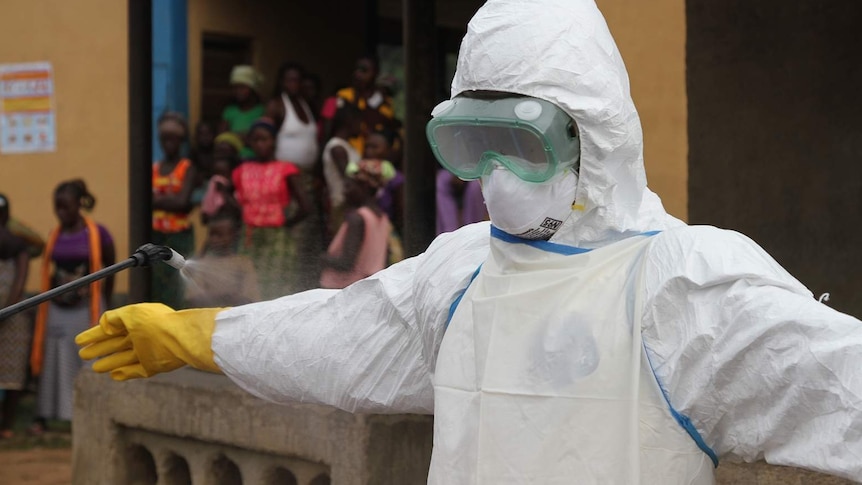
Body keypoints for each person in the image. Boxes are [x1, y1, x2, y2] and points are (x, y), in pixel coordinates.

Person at [77, 1, 862, 482]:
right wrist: (192, 333)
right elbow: (338, 334)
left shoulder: (684, 284)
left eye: (518, 143)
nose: (495, 175)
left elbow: (833, 384)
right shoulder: (459, 275)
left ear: (595, 138)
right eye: (471, 143)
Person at [34, 180, 114, 435]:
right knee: (56, 357)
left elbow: (110, 268)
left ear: (79, 205)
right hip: (57, 308)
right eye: (56, 208)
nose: (60, 213)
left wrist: (105, 303)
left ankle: (87, 413)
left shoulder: (98, 234)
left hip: (86, 308)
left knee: (86, 357)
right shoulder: (55, 235)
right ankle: (54, 414)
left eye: (65, 207)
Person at [231, 118, 310, 299]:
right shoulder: (241, 170)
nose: (260, 145)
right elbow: (234, 201)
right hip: (249, 236)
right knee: (250, 284)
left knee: (277, 283)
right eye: (256, 140)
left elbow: (306, 206)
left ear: (273, 141)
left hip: (277, 238)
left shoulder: (286, 169)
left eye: (264, 139)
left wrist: (285, 224)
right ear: (250, 143)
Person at [267, 62, 322, 292]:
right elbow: (265, 136)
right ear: (281, 82)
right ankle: (283, 284)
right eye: (289, 80)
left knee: (308, 233)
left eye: (297, 80)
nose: (293, 84)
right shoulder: (277, 105)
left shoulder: (305, 105)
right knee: (291, 232)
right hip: (287, 179)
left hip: (308, 177)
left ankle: (302, 283)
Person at [320, 160, 392, 289]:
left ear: (364, 187)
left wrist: (320, 258)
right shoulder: (382, 218)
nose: (344, 192)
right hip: (367, 288)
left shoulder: (357, 218)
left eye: (348, 186)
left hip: (344, 289)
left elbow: (346, 263)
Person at [152, 112, 197, 310]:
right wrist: (171, 200)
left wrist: (157, 200)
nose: (168, 143)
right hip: (156, 234)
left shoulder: (187, 167)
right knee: (156, 284)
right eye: (164, 138)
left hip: (179, 236)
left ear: (181, 140)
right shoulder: (154, 167)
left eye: (174, 138)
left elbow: (182, 202)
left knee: (176, 284)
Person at [0, 194, 33, 439]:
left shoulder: (18, 245)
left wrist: (7, 309)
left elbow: (19, 281)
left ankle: (7, 424)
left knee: (11, 372)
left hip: (11, 317)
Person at [184, 209, 259, 308]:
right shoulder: (202, 264)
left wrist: (216, 298)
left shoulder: (243, 264)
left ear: (234, 235)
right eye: (212, 234)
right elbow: (193, 299)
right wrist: (226, 297)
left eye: (219, 235)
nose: (214, 239)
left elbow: (250, 299)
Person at [335, 54, 397, 155]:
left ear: (375, 73)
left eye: (364, 71)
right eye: (357, 70)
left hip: (376, 154)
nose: (358, 74)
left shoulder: (385, 101)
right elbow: (346, 122)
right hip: (350, 152)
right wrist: (358, 96)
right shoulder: (345, 95)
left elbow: (387, 124)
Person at [321, 103, 362, 238]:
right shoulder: (337, 148)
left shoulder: (345, 146)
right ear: (350, 122)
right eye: (359, 122)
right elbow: (348, 177)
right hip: (343, 203)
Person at [219, 65, 265, 160]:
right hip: (233, 160)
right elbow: (222, 138)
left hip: (255, 161)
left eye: (242, 87)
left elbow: (262, 140)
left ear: (252, 89)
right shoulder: (229, 111)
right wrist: (245, 137)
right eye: (235, 88)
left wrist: (235, 136)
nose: (237, 91)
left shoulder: (262, 111)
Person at [435, 170, 487, 235]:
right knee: (440, 182)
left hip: (476, 172)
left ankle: (471, 232)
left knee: (476, 186)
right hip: (451, 169)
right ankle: (449, 234)